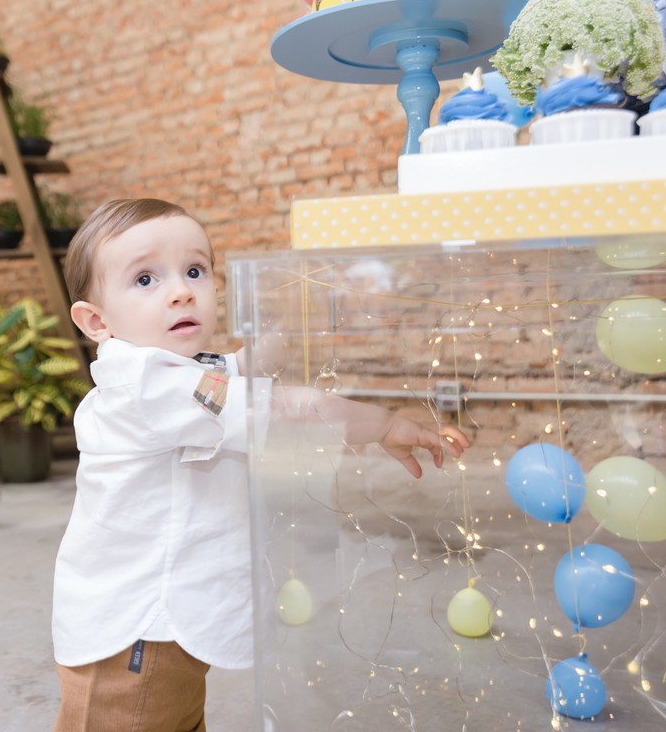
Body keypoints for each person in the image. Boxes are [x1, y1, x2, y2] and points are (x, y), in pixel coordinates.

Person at [52, 199, 469, 731]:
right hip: (136, 633)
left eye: (196, 271)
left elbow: (252, 363)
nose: (181, 290)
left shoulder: (186, 372)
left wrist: (300, 306)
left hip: (165, 625)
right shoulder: (148, 386)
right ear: (96, 321)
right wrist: (384, 425)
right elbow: (284, 405)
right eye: (146, 279)